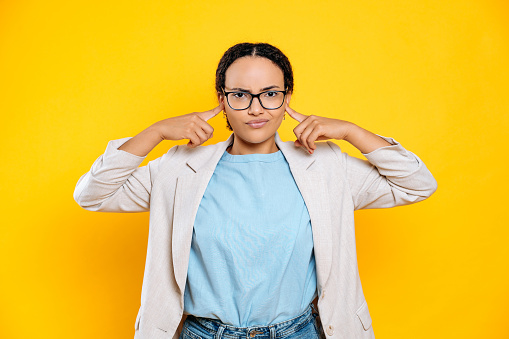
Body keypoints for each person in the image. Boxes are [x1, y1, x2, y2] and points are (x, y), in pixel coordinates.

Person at [74, 42, 437, 339]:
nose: (256, 108)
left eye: (270, 94)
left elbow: (418, 183)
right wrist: (153, 133)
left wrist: (352, 132)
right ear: (222, 100)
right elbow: (92, 194)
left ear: (287, 98)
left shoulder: (326, 167)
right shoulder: (178, 169)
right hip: (204, 334)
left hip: (298, 332)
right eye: (240, 95)